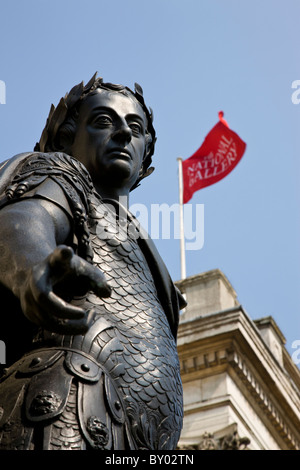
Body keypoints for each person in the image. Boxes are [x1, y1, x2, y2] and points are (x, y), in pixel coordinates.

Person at [0, 74, 185, 450]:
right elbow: (23, 221)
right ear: (67, 138)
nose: (123, 134)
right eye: (103, 121)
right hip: (66, 404)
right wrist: (34, 267)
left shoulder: (145, 250)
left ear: (145, 155)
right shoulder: (61, 175)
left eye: (135, 128)